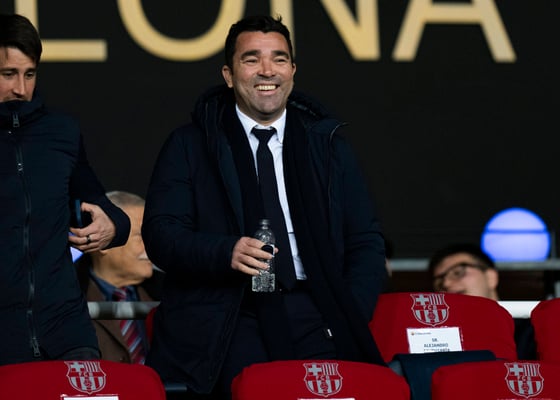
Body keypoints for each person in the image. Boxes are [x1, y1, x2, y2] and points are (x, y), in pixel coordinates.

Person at [142, 15, 388, 399]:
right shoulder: (190, 144)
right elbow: (161, 235)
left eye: (279, 58)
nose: (267, 70)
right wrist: (226, 251)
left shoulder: (328, 147)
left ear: (293, 71)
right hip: (230, 316)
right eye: (251, 59)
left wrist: (347, 311)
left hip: (318, 313)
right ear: (228, 75)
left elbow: (365, 241)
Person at [0, 13, 130, 365]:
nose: (21, 89)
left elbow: (103, 205)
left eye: (29, 74)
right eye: (8, 74)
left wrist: (112, 225)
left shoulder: (61, 132)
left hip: (67, 332)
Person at [75, 191, 163, 364]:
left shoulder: (170, 292)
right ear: (104, 242)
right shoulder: (66, 299)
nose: (151, 246)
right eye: (140, 236)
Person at [428, 243, 536, 360]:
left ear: (491, 277)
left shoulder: (533, 332)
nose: (446, 284)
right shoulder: (437, 340)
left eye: (457, 273)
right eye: (439, 282)